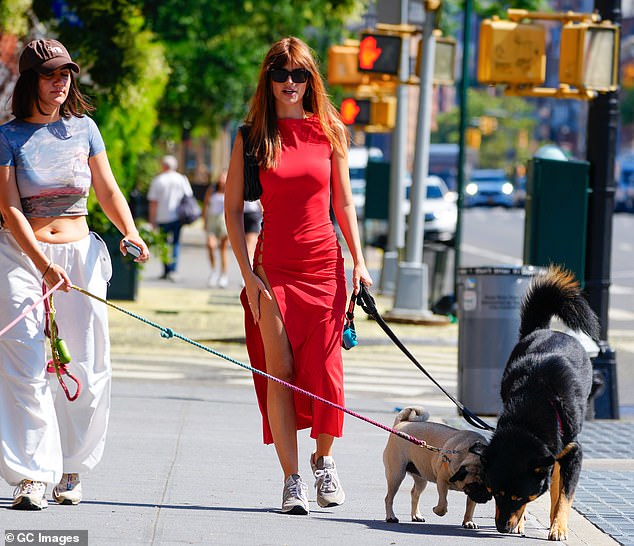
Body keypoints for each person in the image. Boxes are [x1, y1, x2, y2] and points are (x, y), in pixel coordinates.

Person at [225, 36, 372, 516]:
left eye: (300, 74)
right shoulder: (250, 137)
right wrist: (248, 275)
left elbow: (344, 203)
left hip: (325, 266)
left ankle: (323, 461)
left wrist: (360, 262)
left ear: (312, 80)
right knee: (280, 374)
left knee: (327, 375)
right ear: (268, 80)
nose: (290, 83)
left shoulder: (329, 130)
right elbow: (232, 210)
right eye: (281, 74)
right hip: (274, 269)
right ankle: (292, 480)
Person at [0, 38, 150, 510]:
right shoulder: (7, 137)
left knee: (84, 365)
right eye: (50, 75)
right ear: (31, 82)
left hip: (80, 257)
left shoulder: (85, 129)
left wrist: (130, 231)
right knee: (25, 364)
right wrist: (42, 265)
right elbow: (8, 208)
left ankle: (69, 468)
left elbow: (107, 189)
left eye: (66, 74)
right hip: (23, 258)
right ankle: (31, 475)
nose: (61, 82)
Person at [147, 155, 192, 281]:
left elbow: (153, 203)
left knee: (164, 244)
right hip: (177, 216)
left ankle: (166, 269)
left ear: (164, 165)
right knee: (176, 243)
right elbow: (188, 196)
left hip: (162, 217)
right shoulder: (181, 179)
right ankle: (174, 270)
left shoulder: (158, 180)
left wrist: (152, 220)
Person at [203, 170, 229, 288]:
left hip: (224, 220)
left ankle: (223, 275)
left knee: (223, 250)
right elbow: (205, 205)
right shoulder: (212, 190)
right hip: (213, 220)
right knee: (211, 245)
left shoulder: (230, 190)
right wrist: (205, 220)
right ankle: (213, 271)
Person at [243, 198, 263, 267]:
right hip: (241, 214)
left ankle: (250, 268)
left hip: (253, 215)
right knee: (245, 246)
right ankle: (249, 268)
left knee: (249, 246)